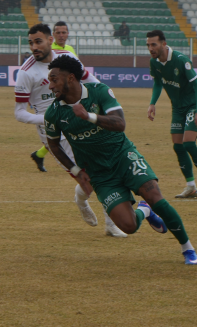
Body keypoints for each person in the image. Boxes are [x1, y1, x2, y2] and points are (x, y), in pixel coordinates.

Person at [44, 55, 197, 265]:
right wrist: (76, 171)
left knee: (155, 195)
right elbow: (54, 145)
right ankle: (144, 211)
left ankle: (187, 248)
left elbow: (120, 123)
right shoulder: (53, 113)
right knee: (129, 226)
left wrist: (89, 116)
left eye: (54, 79)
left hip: (123, 156)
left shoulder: (99, 91)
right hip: (99, 174)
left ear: (71, 78)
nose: (50, 85)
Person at [15, 24, 127, 238]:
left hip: (78, 120)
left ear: (50, 40)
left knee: (101, 170)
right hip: (55, 131)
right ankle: (85, 204)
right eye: (30, 43)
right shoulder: (25, 72)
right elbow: (19, 113)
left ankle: (109, 223)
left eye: (38, 41)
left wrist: (104, 99)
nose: (34, 47)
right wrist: (51, 119)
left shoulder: (67, 58)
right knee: (89, 176)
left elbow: (92, 82)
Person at [147, 30, 197, 199]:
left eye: (154, 44)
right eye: (148, 45)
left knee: (188, 143)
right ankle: (191, 186)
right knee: (178, 146)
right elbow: (158, 83)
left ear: (163, 44)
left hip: (193, 106)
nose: (150, 48)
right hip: (177, 108)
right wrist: (153, 103)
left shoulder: (181, 60)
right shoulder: (154, 63)